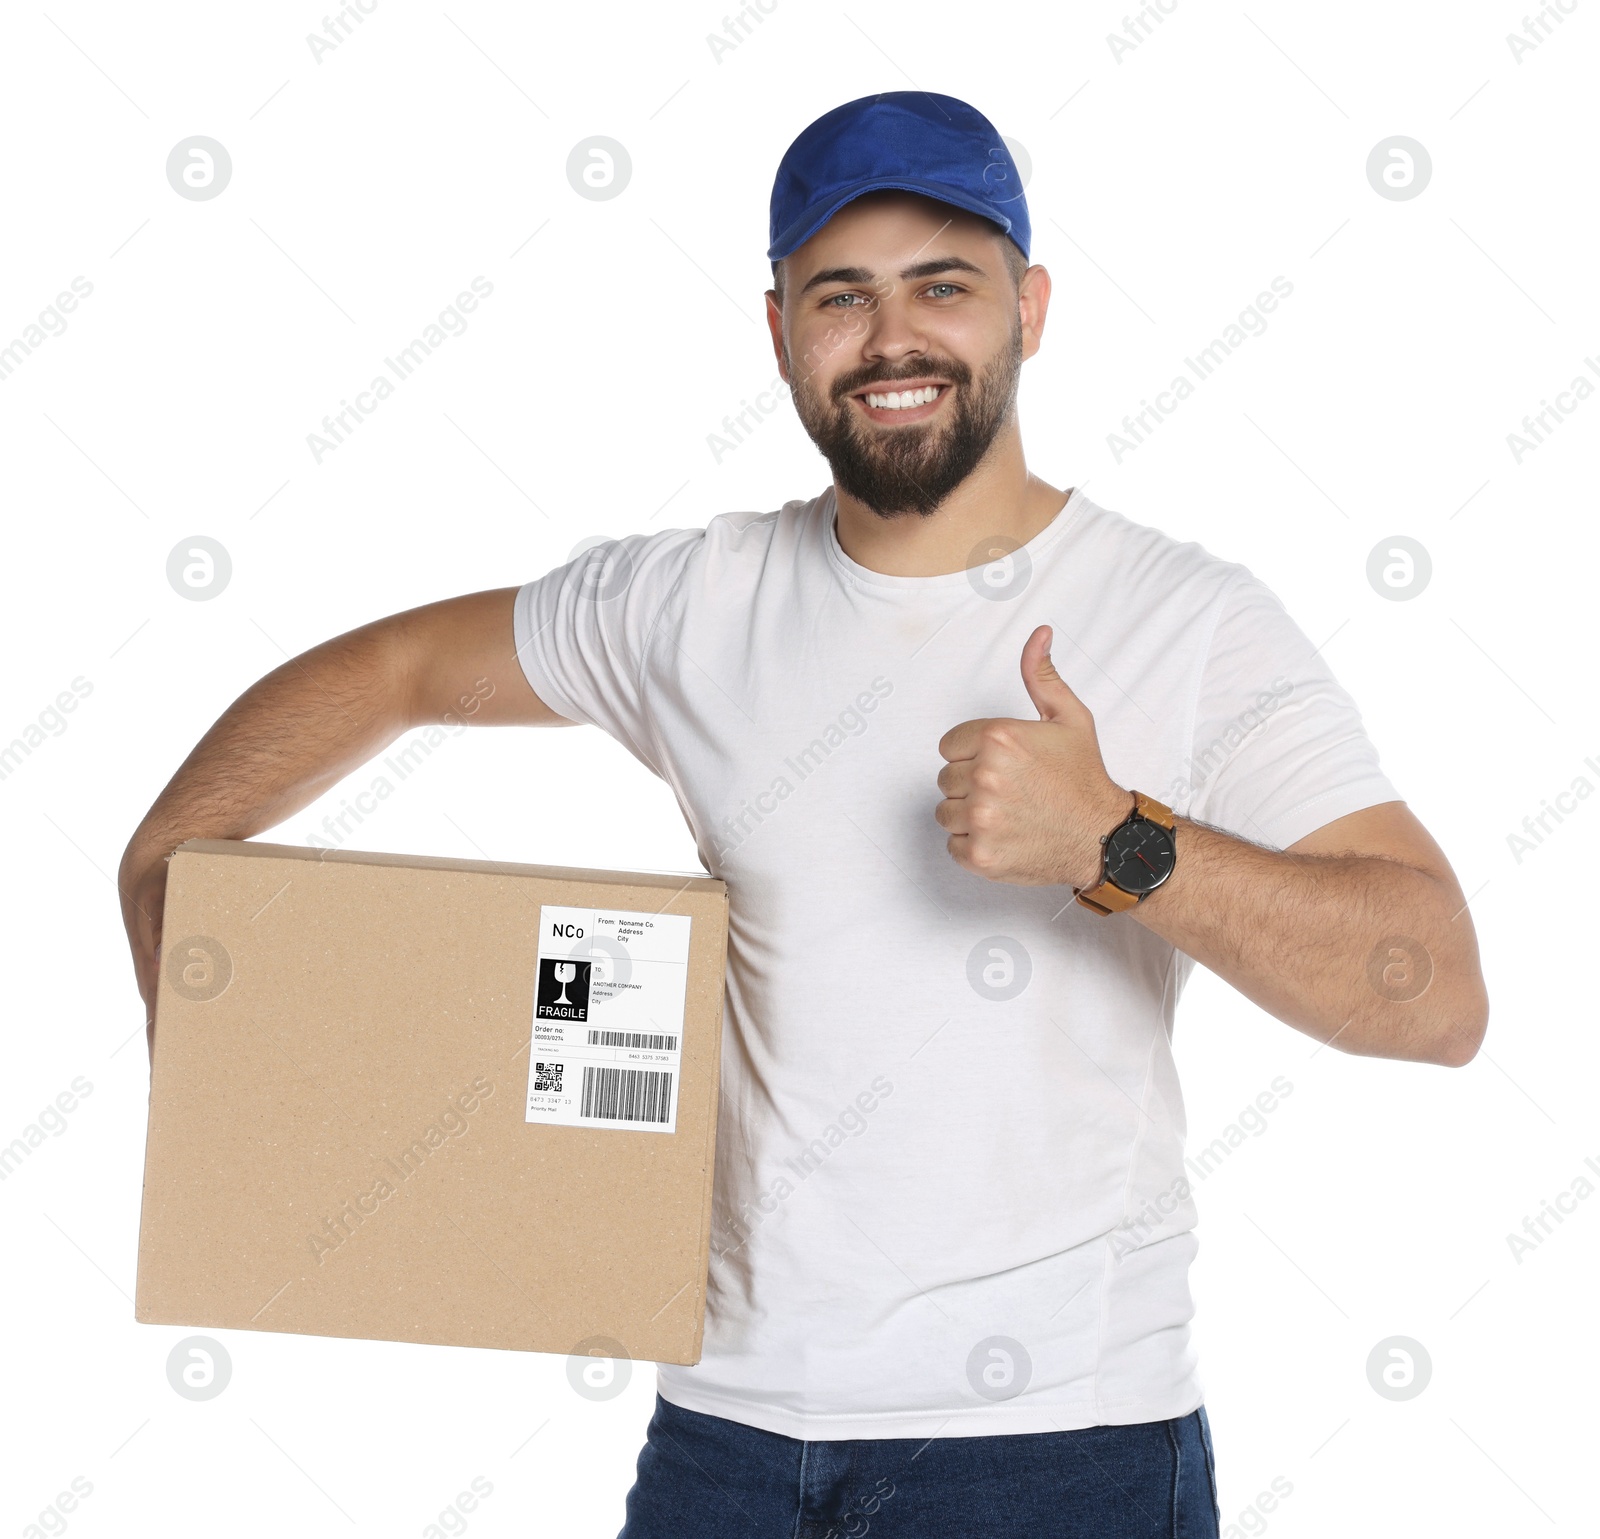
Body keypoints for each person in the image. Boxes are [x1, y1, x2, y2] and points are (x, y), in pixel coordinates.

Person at [120, 91, 1489, 1539]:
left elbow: (1435, 990)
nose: (894, 339)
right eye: (843, 296)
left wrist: (1117, 844)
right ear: (780, 331)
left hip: (1052, 1449)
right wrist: (164, 858)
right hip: (727, 1439)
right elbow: (395, 671)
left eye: (942, 287)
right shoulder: (691, 605)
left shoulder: (1188, 621)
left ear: (1028, 308)